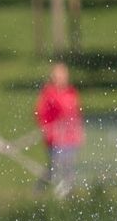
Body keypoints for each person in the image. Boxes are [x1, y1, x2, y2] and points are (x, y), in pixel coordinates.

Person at [34, 62, 84, 196]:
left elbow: (76, 113)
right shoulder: (48, 93)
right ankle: (41, 191)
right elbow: (41, 113)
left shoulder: (71, 92)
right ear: (53, 77)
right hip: (55, 138)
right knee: (56, 166)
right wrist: (48, 128)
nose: (62, 77)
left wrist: (79, 132)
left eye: (64, 74)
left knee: (69, 167)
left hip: (71, 137)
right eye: (59, 75)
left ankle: (67, 195)